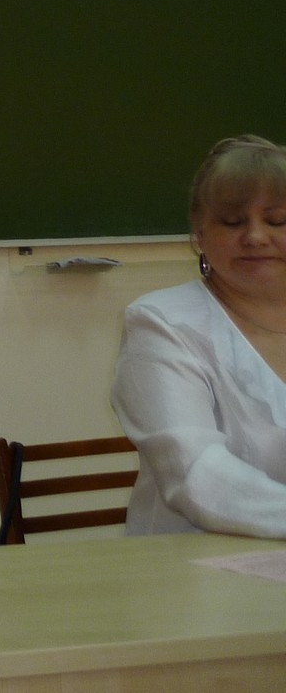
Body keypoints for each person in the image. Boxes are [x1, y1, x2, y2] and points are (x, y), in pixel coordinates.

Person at [110, 134, 286, 537]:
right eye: (233, 222)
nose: (255, 236)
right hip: (192, 566)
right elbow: (196, 473)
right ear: (200, 232)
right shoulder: (162, 322)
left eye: (277, 221)